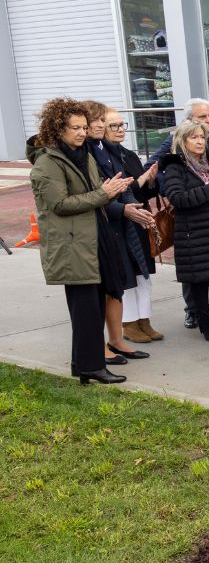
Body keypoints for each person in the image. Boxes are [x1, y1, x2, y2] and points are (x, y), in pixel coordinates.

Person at [28, 97, 131, 384]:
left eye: (84, 127)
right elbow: (59, 204)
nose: (82, 132)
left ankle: (84, 365)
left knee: (95, 305)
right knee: (86, 309)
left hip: (92, 240)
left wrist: (111, 189)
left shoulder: (82, 154)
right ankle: (91, 366)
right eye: (75, 127)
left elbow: (93, 191)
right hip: (72, 246)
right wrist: (104, 194)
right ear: (57, 129)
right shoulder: (47, 162)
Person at [145, 98, 209, 328]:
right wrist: (172, 186)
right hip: (192, 222)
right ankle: (193, 311)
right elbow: (154, 167)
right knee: (194, 269)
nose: (208, 121)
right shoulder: (174, 145)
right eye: (203, 117)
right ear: (189, 121)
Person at [83, 101, 154, 365]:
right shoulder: (87, 153)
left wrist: (131, 200)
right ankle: (108, 341)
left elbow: (119, 186)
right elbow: (96, 193)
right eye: (98, 122)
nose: (101, 126)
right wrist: (123, 209)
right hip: (102, 226)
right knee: (106, 287)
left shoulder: (103, 150)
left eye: (105, 122)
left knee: (118, 284)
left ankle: (118, 338)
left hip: (119, 223)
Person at [102, 110, 163, 344]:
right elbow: (120, 192)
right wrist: (139, 182)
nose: (119, 129)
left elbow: (142, 191)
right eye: (113, 125)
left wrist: (151, 180)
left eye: (121, 124)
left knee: (143, 273)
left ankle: (144, 319)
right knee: (127, 273)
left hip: (139, 220)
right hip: (120, 223)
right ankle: (129, 323)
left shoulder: (128, 155)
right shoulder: (103, 157)